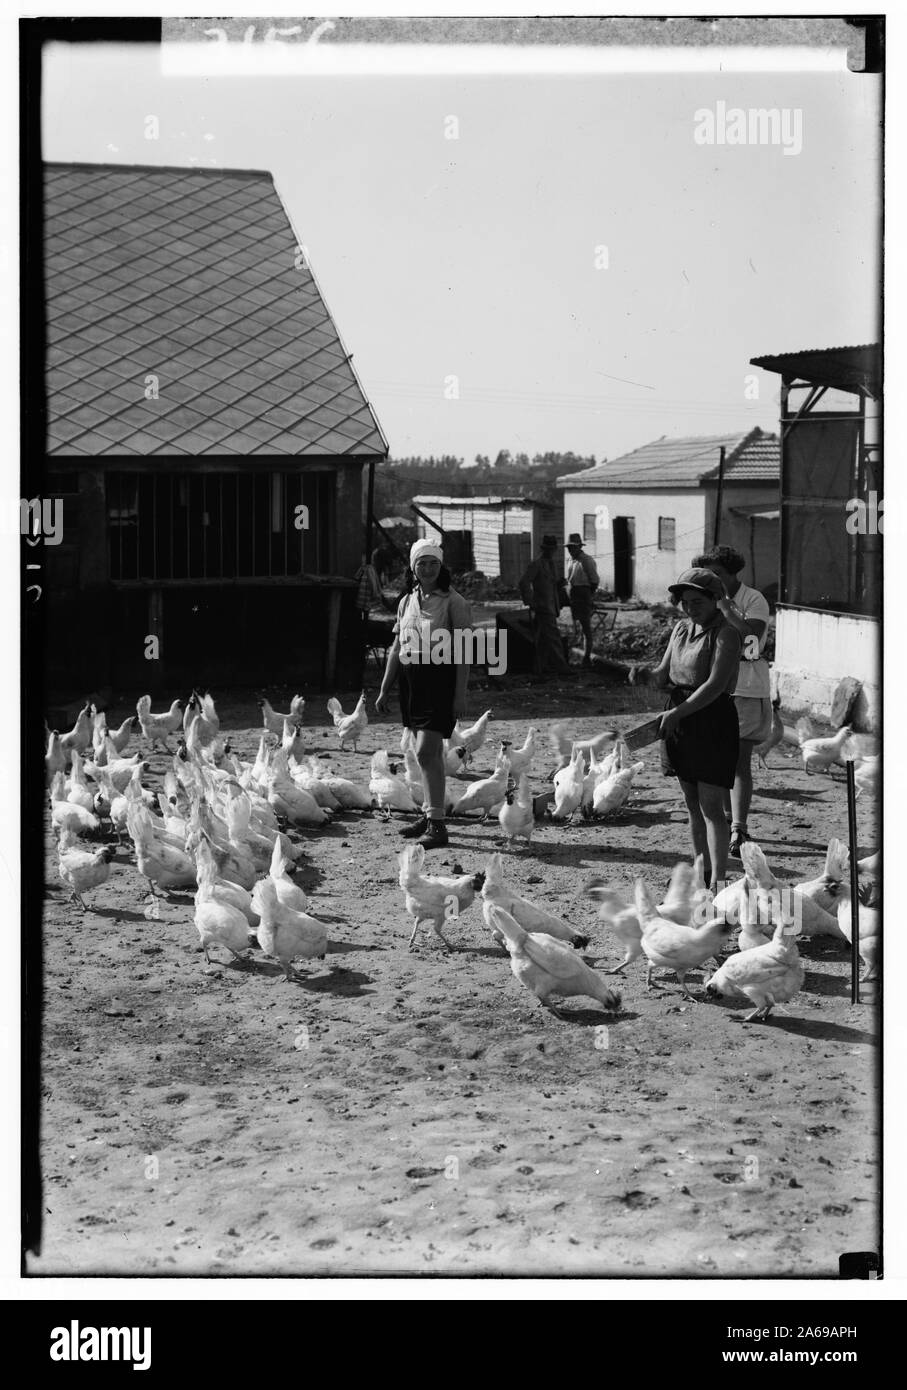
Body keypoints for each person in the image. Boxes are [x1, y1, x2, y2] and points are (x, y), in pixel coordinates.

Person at [631, 567, 741, 890]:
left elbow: (716, 684)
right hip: (680, 721)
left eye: (698, 602)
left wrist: (678, 712)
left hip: (711, 721)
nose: (690, 608)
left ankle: (719, 882)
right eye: (685, 602)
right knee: (691, 804)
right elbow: (663, 675)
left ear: (715, 600)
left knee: (711, 807)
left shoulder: (726, 634)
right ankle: (701, 872)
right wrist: (644, 675)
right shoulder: (681, 630)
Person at [375, 539, 472, 850]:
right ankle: (431, 815)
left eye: (432, 563)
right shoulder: (406, 601)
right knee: (420, 753)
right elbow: (396, 648)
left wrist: (459, 695)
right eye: (421, 563)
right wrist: (384, 687)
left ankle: (438, 826)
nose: (427, 568)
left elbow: (464, 652)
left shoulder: (453, 602)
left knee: (428, 751)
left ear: (440, 566)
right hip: (411, 681)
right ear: (413, 568)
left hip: (439, 680)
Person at [692, 545, 771, 858]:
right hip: (715, 686)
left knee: (738, 760)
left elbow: (750, 642)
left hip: (747, 684)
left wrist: (726, 609)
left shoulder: (753, 600)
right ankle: (724, 822)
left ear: (732, 572)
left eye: (718, 574)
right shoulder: (706, 599)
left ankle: (739, 827)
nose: (713, 579)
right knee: (716, 759)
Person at [518, 535, 570, 676]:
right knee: (553, 638)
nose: (551, 551)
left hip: (552, 606)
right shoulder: (537, 564)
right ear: (543, 549)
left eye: (552, 549)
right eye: (548, 549)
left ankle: (539, 668)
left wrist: (560, 585)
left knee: (543, 640)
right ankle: (562, 668)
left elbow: (551, 584)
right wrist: (529, 601)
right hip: (543, 606)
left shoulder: (552, 564)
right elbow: (523, 582)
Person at [565, 533, 600, 667]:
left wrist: (588, 596)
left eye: (572, 547)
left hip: (584, 593)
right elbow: (569, 578)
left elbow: (594, 580)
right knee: (576, 626)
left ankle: (586, 657)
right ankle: (577, 654)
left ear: (579, 547)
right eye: (569, 548)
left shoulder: (587, 560)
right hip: (573, 593)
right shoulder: (570, 560)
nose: (570, 550)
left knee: (586, 627)